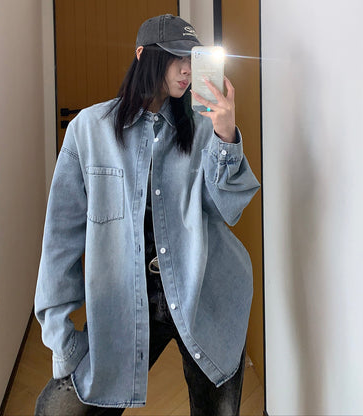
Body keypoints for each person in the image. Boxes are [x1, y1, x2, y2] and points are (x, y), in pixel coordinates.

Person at [34, 14, 260, 416]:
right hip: (126, 301)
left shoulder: (203, 127)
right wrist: (62, 339)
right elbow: (60, 239)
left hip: (204, 296)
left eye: (193, 58)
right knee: (57, 410)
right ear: (143, 55)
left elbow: (230, 210)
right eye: (176, 58)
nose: (187, 69)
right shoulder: (89, 131)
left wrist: (226, 135)